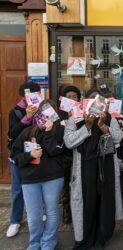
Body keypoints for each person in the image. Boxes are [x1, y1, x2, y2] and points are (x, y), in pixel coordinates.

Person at [64, 88, 122, 249]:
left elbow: (118, 138)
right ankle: (85, 237)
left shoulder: (110, 118)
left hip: (106, 166)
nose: (95, 103)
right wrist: (87, 127)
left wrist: (103, 126)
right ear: (85, 102)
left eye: (99, 100)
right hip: (85, 168)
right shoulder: (75, 118)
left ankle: (102, 236)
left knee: (105, 201)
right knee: (88, 202)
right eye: (91, 99)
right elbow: (69, 142)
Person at [11, 100, 65, 249]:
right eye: (43, 111)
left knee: (52, 211)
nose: (46, 115)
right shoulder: (27, 131)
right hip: (30, 179)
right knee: (33, 216)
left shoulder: (60, 130)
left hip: (53, 178)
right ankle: (34, 243)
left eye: (50, 111)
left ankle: (48, 242)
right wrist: (29, 155)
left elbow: (55, 150)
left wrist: (48, 133)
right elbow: (14, 156)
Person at [6, 81, 41, 238]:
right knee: (18, 189)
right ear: (24, 96)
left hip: (38, 154)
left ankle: (40, 213)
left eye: (36, 95)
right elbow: (12, 134)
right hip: (19, 156)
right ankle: (15, 220)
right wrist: (27, 117)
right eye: (29, 95)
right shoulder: (16, 111)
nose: (33, 98)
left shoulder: (43, 108)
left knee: (39, 185)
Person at [58, 85, 81, 225]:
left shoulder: (81, 114)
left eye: (75, 97)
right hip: (63, 156)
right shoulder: (57, 115)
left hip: (78, 155)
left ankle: (77, 210)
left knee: (77, 185)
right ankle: (67, 211)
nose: (72, 99)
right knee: (65, 185)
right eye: (69, 97)